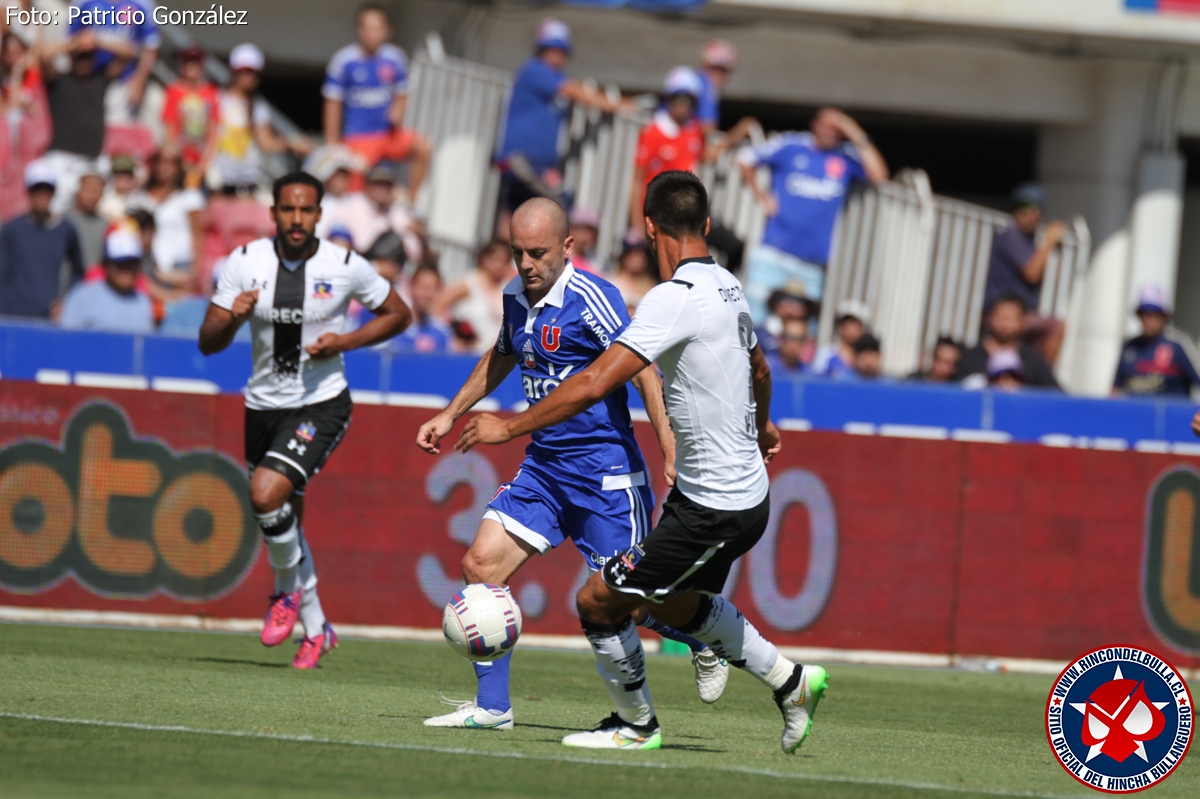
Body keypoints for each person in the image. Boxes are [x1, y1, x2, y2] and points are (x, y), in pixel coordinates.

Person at [457, 171, 826, 753]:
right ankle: (793, 682)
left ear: (649, 228)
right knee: (669, 603)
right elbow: (759, 368)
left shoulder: (669, 299)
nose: (525, 263)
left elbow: (596, 382)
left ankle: (637, 726)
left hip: (712, 505)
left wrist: (508, 425)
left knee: (601, 601)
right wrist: (762, 424)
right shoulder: (730, 285)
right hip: (720, 494)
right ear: (705, 226)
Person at [417, 197, 724, 733]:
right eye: (517, 253)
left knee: (624, 605)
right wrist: (450, 413)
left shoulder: (593, 297)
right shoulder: (516, 295)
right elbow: (504, 353)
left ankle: (701, 643)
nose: (526, 265)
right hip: (545, 470)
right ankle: (493, 708)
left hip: (606, 475)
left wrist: (668, 445)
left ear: (566, 247)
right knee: (480, 568)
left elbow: (643, 371)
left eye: (537, 253)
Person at [198, 172, 411, 668]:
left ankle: (282, 593)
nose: (297, 219)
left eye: (307, 210)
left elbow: (398, 314)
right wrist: (232, 315)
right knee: (283, 519)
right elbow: (208, 342)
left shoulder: (344, 266)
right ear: (273, 213)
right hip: (262, 407)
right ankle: (316, 629)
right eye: (288, 210)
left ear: (319, 215)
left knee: (266, 494)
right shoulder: (245, 262)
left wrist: (346, 341)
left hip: (322, 402)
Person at [739, 108, 889, 319]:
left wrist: (855, 132)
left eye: (836, 128)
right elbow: (745, 158)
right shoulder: (791, 144)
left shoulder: (846, 156)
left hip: (813, 261)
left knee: (801, 334)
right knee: (753, 323)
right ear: (814, 124)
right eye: (826, 125)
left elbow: (880, 177)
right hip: (774, 252)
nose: (829, 132)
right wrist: (760, 194)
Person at [495, 18, 633, 219]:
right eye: (550, 49)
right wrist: (622, 105)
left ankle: (513, 250)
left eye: (561, 50)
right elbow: (581, 93)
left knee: (517, 212)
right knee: (560, 205)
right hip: (521, 157)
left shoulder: (554, 77)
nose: (556, 55)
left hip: (539, 161)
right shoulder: (535, 70)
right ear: (540, 50)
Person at [323, 4, 431, 200]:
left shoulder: (396, 58)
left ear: (387, 31)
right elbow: (332, 104)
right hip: (358, 137)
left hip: (388, 135)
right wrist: (333, 145)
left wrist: (398, 110)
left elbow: (402, 94)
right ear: (359, 30)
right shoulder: (344, 61)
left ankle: (411, 204)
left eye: (377, 28)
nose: (372, 33)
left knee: (423, 148)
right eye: (367, 28)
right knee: (354, 195)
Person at [39, 30, 132, 214]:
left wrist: (96, 42)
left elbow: (128, 53)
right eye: (79, 57)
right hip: (60, 160)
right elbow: (43, 55)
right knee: (54, 213)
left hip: (90, 161)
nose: (83, 61)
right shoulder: (58, 80)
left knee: (89, 214)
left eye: (88, 57)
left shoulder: (100, 79)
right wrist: (74, 43)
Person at [207, 44, 308, 194]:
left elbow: (267, 143)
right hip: (216, 182)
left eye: (254, 73)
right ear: (233, 71)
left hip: (246, 182)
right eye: (245, 72)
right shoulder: (215, 98)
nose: (250, 78)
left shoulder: (258, 106)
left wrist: (293, 142)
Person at [984, 183, 1066, 366]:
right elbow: (1032, 273)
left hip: (1022, 314)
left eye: (1036, 209)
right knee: (1056, 328)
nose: (1030, 213)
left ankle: (1037, 375)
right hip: (1002, 313)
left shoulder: (1029, 241)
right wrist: (1049, 241)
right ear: (1015, 209)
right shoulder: (1011, 235)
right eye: (1025, 207)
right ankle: (1042, 381)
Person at [0, 160, 84, 320]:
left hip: (48, 319)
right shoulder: (11, 229)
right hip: (12, 316)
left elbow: (79, 272)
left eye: (47, 189)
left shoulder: (66, 230)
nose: (42, 194)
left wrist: (67, 302)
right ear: (29, 191)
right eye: (37, 189)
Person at [629, 67, 707, 234]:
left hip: (685, 214)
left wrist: (736, 134)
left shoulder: (695, 129)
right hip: (658, 215)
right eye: (679, 98)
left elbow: (705, 156)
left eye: (689, 100)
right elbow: (637, 181)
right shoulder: (653, 131)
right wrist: (637, 224)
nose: (684, 105)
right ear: (669, 99)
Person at [67, 0, 158, 124]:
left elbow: (150, 47)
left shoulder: (143, 4)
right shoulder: (83, 2)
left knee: (115, 130)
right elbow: (70, 38)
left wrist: (139, 82)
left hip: (122, 83)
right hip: (87, 79)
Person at [129, 146, 205, 290]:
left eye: (172, 162)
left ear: (179, 167)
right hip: (148, 266)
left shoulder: (189, 197)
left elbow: (198, 235)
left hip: (179, 266)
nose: (165, 167)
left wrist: (195, 271)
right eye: (161, 161)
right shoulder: (140, 197)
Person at [1, 28, 52, 222]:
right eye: (9, 51)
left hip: (26, 160)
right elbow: (8, 107)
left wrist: (38, 31)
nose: (14, 56)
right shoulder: (5, 84)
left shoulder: (34, 81)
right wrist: (16, 73)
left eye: (18, 50)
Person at [59, 228, 154, 333]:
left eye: (132, 263)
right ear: (106, 264)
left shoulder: (143, 301)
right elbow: (67, 343)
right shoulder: (81, 297)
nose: (127, 270)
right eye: (120, 263)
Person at [956, 295, 1059, 390]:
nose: (1004, 324)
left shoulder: (1033, 361)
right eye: (1000, 317)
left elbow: (1055, 396)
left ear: (1022, 321)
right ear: (990, 318)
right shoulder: (968, 357)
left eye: (1010, 319)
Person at [1113, 285, 1200, 397]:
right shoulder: (1130, 346)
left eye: (1152, 314)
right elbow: (1116, 388)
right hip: (1135, 412)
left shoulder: (1179, 344)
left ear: (1164, 316)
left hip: (1171, 412)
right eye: (1142, 314)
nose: (1147, 320)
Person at [433, 239, 514, 355]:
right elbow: (436, 307)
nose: (499, 265)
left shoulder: (508, 286)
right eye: (495, 260)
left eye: (504, 261)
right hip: (469, 353)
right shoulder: (469, 283)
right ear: (484, 259)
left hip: (497, 356)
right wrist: (451, 334)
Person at [161, 44, 219, 175]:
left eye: (196, 63)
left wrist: (204, 163)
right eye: (188, 62)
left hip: (203, 160)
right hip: (179, 160)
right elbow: (168, 127)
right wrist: (177, 159)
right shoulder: (173, 91)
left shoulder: (212, 92)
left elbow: (214, 128)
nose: (192, 67)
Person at [389, 266, 451, 354]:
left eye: (433, 289)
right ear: (411, 287)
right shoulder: (392, 326)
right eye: (424, 288)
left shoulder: (442, 333)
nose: (427, 295)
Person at [812, 299, 869, 378]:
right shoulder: (826, 354)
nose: (851, 329)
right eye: (848, 324)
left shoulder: (867, 357)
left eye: (856, 325)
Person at [64, 170, 107, 268]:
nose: (92, 196)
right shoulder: (63, 220)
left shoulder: (105, 225)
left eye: (96, 192)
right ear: (78, 191)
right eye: (88, 190)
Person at [609, 237, 656, 314]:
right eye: (634, 253)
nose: (639, 258)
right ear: (623, 255)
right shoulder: (611, 282)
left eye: (643, 253)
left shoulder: (651, 286)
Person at [568, 207, 601, 273]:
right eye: (585, 230)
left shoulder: (595, 263)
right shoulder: (560, 257)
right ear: (572, 228)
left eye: (593, 232)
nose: (589, 237)